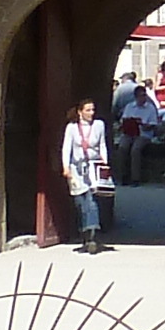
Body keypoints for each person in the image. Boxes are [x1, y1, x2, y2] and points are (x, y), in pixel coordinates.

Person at [61, 98, 114, 252]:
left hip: (93, 166)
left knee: (91, 200)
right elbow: (66, 148)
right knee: (80, 202)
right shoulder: (71, 128)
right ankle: (84, 232)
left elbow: (102, 144)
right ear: (80, 112)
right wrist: (66, 168)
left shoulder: (99, 125)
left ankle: (92, 236)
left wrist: (105, 163)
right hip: (76, 168)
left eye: (93, 110)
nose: (91, 113)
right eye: (88, 110)